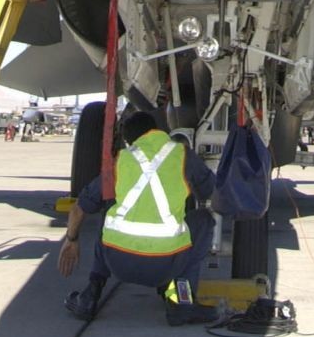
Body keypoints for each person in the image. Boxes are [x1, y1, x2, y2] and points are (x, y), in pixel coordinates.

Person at [58, 108, 217, 324]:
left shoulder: (123, 160)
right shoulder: (182, 155)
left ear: (129, 140)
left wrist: (71, 239)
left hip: (119, 264)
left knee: (110, 214)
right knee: (204, 220)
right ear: (156, 131)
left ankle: (90, 295)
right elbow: (213, 194)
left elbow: (80, 207)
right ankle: (181, 301)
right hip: (167, 265)